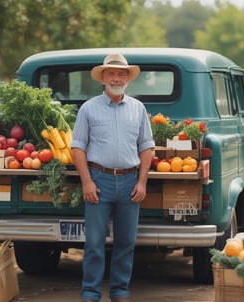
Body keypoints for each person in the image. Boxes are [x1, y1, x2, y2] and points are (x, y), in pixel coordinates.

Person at [71, 54, 155, 302]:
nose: (116, 78)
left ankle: (119, 291)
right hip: (99, 180)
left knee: (126, 242)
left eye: (121, 74)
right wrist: (87, 181)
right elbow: (78, 147)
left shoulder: (138, 108)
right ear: (103, 78)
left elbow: (147, 147)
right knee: (95, 243)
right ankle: (90, 293)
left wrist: (142, 182)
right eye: (111, 74)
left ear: (127, 78)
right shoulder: (89, 108)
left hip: (130, 182)